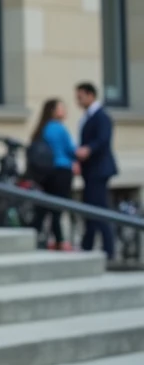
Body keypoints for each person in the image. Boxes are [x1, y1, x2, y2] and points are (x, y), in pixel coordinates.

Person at [74, 81, 118, 258]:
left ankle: (108, 250)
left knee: (99, 209)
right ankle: (88, 246)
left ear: (90, 95)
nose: (78, 101)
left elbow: (102, 140)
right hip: (90, 170)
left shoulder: (101, 116)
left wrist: (88, 149)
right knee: (91, 209)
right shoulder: (88, 117)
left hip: (99, 170)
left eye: (80, 97)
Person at [27, 98, 77, 250]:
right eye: (62, 108)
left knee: (44, 207)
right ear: (53, 111)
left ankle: (35, 235)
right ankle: (60, 241)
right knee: (57, 209)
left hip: (46, 174)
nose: (65, 111)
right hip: (62, 171)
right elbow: (71, 150)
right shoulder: (59, 128)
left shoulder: (43, 128)